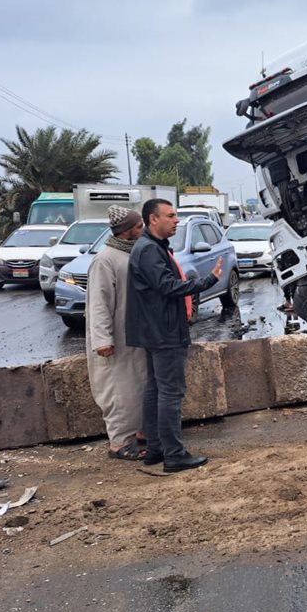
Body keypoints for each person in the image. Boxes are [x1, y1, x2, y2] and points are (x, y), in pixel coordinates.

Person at [126, 199, 223, 473]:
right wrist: (207, 281)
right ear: (153, 219)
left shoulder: (151, 247)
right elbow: (167, 286)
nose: (177, 220)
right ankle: (174, 455)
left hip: (156, 329)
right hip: (164, 331)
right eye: (171, 216)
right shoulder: (148, 250)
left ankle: (156, 449)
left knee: (156, 388)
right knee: (170, 392)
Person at [87, 206, 148, 461]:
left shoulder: (130, 254)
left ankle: (140, 433)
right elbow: (98, 303)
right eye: (139, 226)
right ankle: (119, 444)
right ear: (127, 232)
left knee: (137, 388)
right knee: (118, 391)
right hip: (114, 341)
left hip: (134, 336)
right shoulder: (105, 260)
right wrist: (102, 340)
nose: (142, 229)